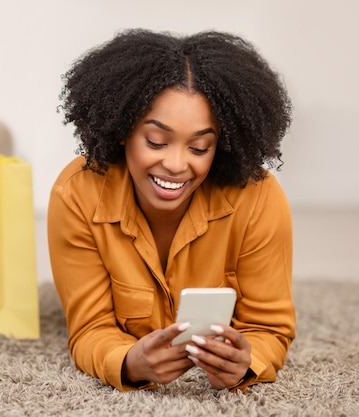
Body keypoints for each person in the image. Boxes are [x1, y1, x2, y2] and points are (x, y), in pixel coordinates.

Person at [47, 28, 296, 393]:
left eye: (199, 148)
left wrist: (246, 364)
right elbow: (90, 328)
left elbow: (269, 328)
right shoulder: (77, 194)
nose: (177, 164)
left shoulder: (258, 198)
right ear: (122, 129)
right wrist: (129, 362)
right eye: (156, 141)